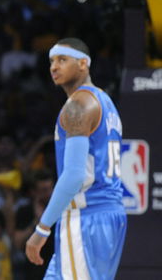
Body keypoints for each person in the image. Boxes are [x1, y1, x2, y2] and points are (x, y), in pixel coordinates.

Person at [25, 38, 127, 279]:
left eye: (62, 60)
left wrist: (42, 228)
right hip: (109, 213)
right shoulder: (106, 102)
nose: (54, 67)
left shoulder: (78, 106)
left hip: (86, 215)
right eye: (51, 61)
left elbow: (74, 176)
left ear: (83, 64)